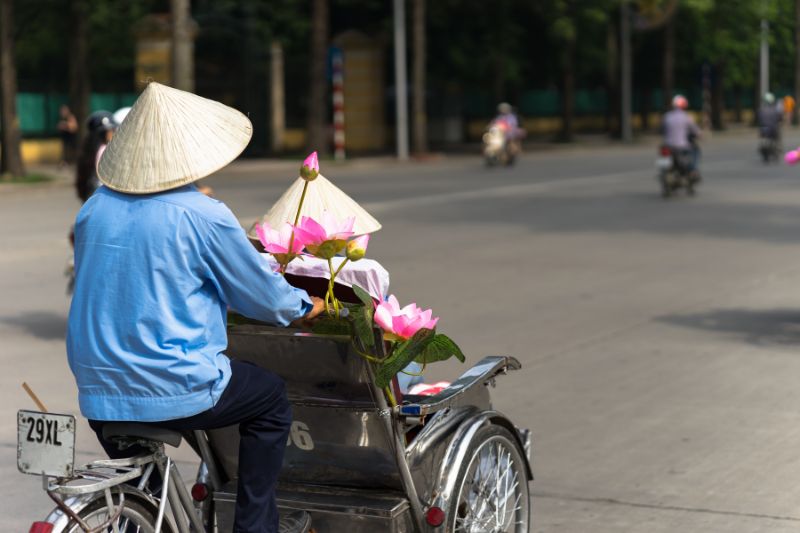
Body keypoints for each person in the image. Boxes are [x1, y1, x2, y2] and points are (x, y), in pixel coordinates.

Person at [67, 82, 324, 533]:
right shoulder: (202, 213)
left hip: (99, 387)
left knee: (145, 496)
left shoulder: (94, 208)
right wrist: (304, 305)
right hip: (174, 380)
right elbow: (263, 297)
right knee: (269, 399)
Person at [75, 110, 117, 203]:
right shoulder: (105, 150)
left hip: (92, 196)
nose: (113, 133)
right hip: (104, 196)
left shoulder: (88, 151)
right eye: (110, 130)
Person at [662, 94, 701, 178]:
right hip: (682, 146)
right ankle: (692, 170)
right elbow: (696, 131)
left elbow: (662, 130)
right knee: (695, 150)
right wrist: (699, 135)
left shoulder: (667, 116)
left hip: (667, 145)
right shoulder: (686, 117)